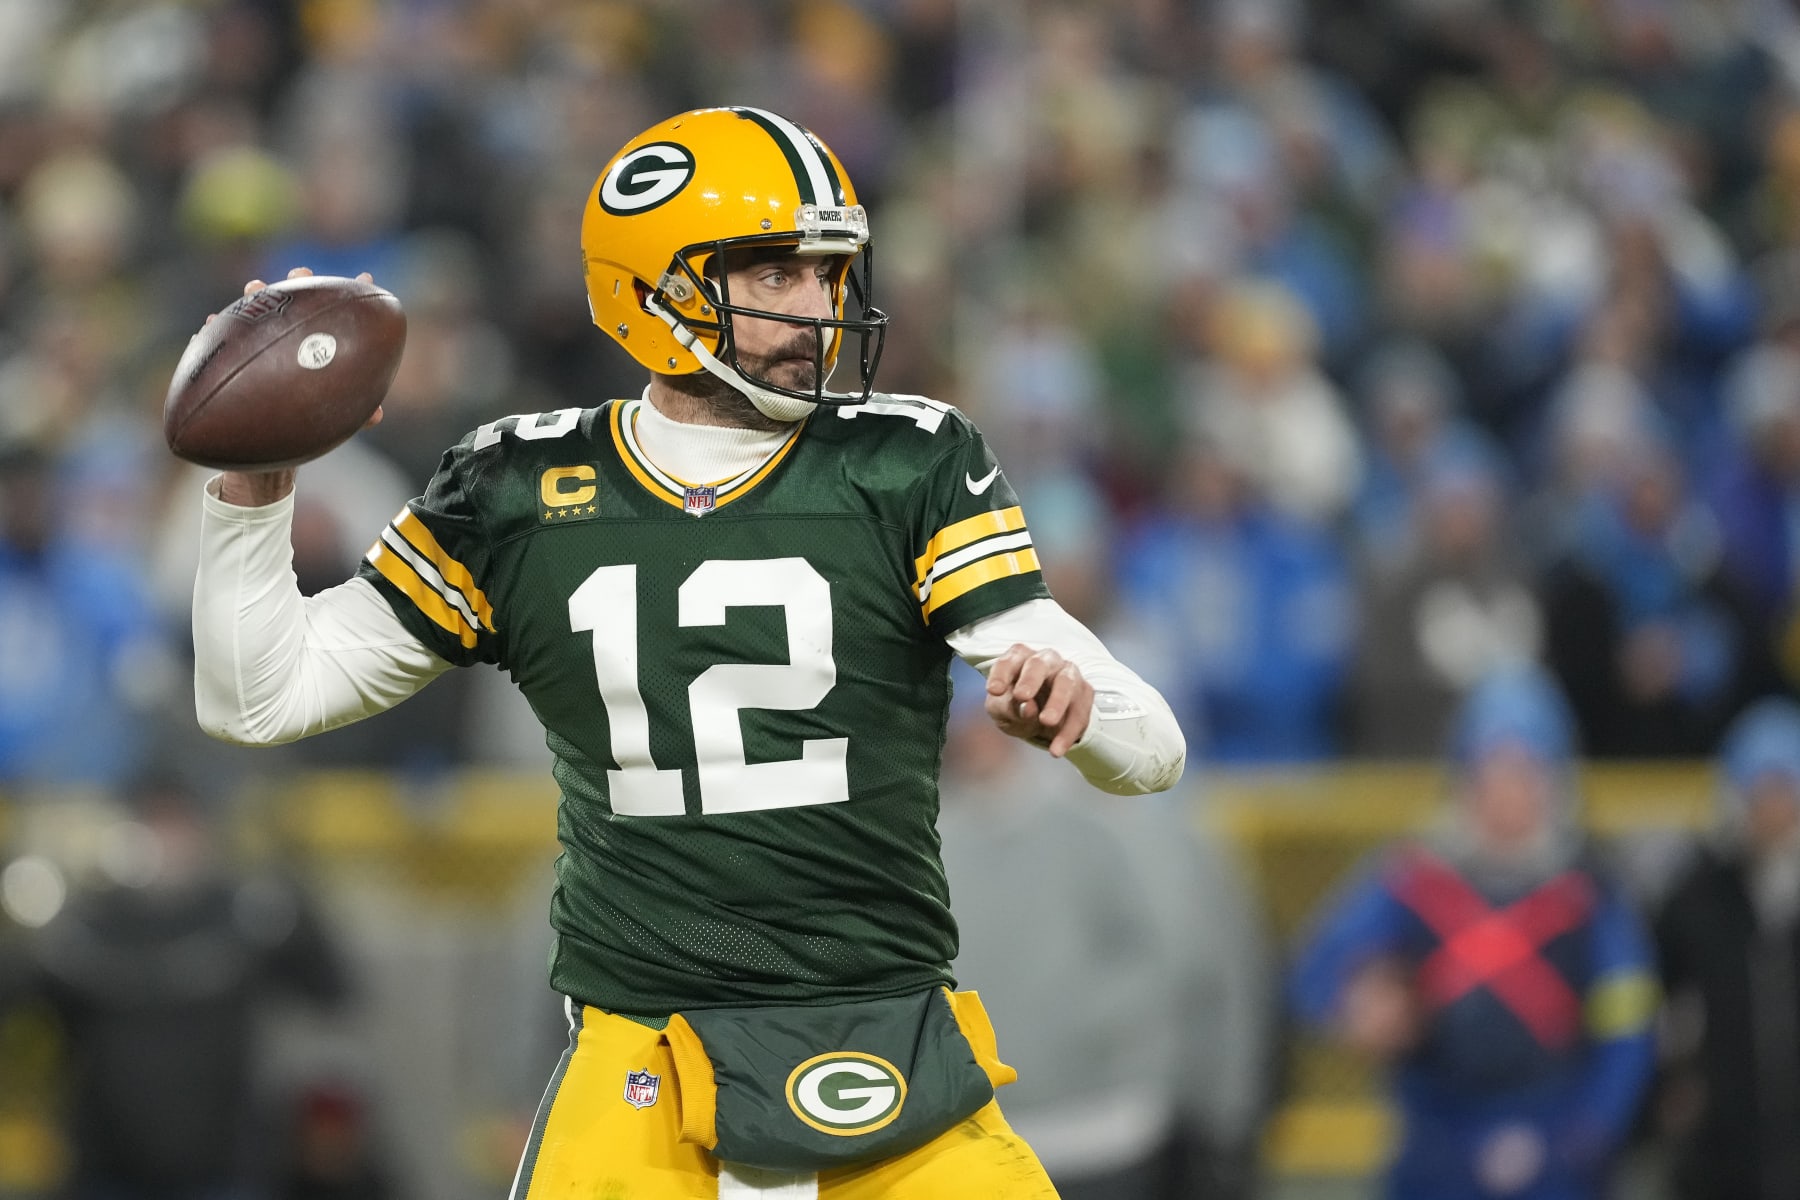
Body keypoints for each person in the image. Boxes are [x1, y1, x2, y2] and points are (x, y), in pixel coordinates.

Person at [186, 106, 1186, 1199]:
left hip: (894, 1039)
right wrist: (252, 489)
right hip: (643, 1055)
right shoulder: (516, 487)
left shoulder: (909, 462)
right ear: (653, 289)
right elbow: (261, 698)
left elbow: (1154, 749)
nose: (817, 308)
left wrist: (1079, 712)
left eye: (828, 273)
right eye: (774, 275)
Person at [1290, 666, 1657, 1200]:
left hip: (1555, 1142)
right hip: (1435, 1137)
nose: (1507, 795)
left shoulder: (1589, 891)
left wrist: (1591, 1130)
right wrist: (1355, 1004)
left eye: (1525, 774)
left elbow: (1630, 1024)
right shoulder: (1415, 877)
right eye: (1492, 773)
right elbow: (1313, 969)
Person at [1654, 697, 1800, 1200]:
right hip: (1720, 1157)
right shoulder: (1695, 900)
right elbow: (1655, 1004)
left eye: (1786, 791)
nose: (1774, 809)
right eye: (1760, 792)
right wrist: (1670, 1087)